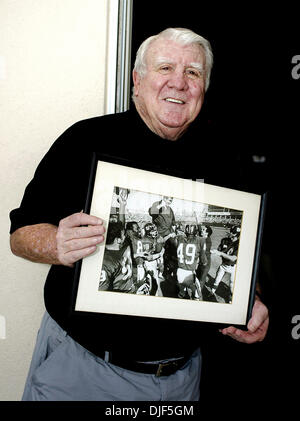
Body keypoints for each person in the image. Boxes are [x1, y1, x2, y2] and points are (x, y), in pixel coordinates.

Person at [9, 27, 269, 401]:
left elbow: (244, 258)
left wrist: (251, 300)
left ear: (204, 87)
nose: (178, 83)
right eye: (165, 68)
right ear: (138, 79)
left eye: (193, 73)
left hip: (182, 377)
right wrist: (56, 243)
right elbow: (21, 234)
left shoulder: (226, 161)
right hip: (84, 369)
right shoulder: (85, 140)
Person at [210, 225, 240, 299]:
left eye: (234, 234)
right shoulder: (225, 240)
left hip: (233, 267)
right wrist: (216, 251)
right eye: (231, 233)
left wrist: (221, 253)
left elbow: (233, 258)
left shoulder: (239, 244)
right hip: (224, 265)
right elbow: (219, 250)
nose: (231, 235)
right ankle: (212, 292)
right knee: (217, 280)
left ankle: (230, 298)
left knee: (232, 285)